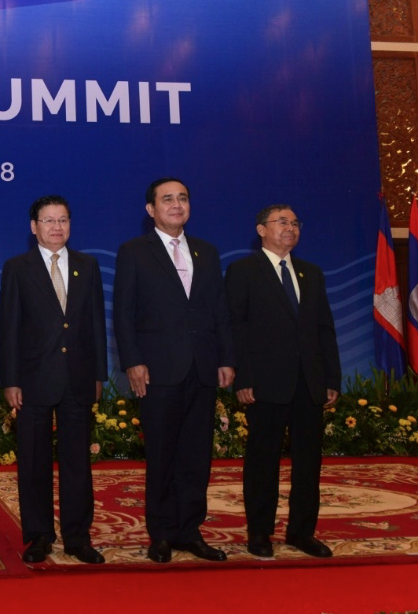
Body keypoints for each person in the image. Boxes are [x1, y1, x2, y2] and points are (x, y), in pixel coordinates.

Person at [113, 177, 234, 564]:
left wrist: (226, 358)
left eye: (183, 197)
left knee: (196, 456)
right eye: (167, 199)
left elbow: (220, 311)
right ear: (151, 209)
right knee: (162, 455)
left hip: (201, 368)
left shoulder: (207, 252)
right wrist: (132, 360)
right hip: (157, 370)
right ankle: (161, 533)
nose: (177, 204)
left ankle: (190, 530)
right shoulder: (134, 251)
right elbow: (123, 312)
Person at [225, 205, 340, 559]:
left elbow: (324, 329)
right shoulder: (243, 270)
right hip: (264, 383)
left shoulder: (311, 273)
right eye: (282, 222)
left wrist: (331, 378)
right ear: (261, 229)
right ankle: (259, 534)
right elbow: (235, 329)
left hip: (309, 384)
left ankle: (301, 532)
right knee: (262, 463)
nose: (290, 228)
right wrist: (242, 377)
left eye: (294, 223)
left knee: (309, 463)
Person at [0, 194, 108, 565]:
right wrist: (10, 380)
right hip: (32, 380)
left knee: (78, 462)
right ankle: (39, 536)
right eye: (48, 220)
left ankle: (78, 536)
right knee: (34, 462)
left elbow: (95, 324)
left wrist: (98, 374)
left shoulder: (87, 265)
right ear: (34, 227)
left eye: (63, 220)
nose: (57, 227)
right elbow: (9, 329)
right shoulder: (18, 267)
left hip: (78, 378)